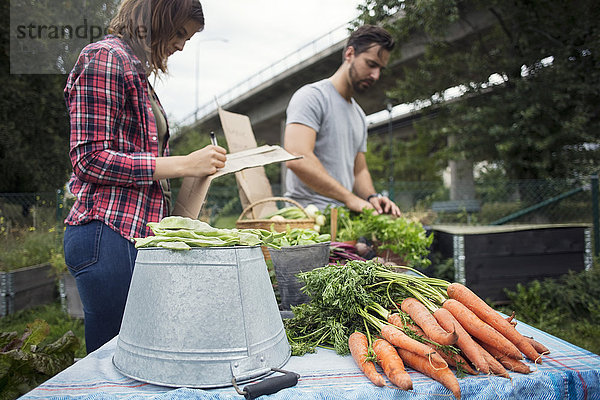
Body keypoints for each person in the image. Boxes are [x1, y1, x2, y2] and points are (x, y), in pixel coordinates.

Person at [62, 0, 227, 354]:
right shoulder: (105, 58)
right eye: (180, 32)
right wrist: (184, 164)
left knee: (138, 356)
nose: (182, 45)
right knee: (115, 360)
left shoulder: (137, 74)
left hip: (132, 236)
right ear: (155, 18)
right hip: (107, 234)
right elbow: (89, 159)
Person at [283, 25, 401, 217]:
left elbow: (359, 171)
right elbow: (296, 157)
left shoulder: (359, 115)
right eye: (371, 64)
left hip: (343, 218)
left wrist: (372, 197)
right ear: (350, 54)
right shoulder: (312, 97)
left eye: (380, 68)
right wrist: (350, 198)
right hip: (307, 219)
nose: (376, 75)